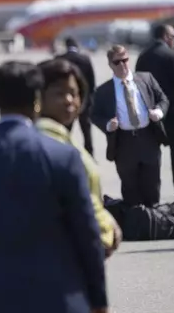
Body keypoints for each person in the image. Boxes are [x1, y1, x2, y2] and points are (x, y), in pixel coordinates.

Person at [0, 60, 108, 313]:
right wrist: (99, 301)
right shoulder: (63, 157)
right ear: (37, 101)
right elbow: (87, 237)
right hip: (57, 299)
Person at [36, 58, 122, 257]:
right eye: (59, 93)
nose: (69, 101)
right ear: (38, 97)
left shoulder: (66, 140)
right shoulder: (41, 144)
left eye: (74, 93)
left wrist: (108, 223)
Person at [91, 45, 169, 206]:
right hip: (124, 143)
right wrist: (107, 125)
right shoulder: (103, 91)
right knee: (130, 190)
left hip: (148, 139)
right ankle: (135, 226)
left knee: (152, 187)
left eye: (125, 60)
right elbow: (94, 114)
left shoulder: (146, 78)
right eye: (117, 62)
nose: (122, 65)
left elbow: (163, 99)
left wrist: (159, 113)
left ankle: (154, 224)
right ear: (110, 65)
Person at [136, 24, 174, 196]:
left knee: (151, 149)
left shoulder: (143, 55)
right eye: (173, 37)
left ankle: (152, 189)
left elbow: (138, 80)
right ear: (165, 36)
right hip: (171, 109)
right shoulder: (173, 55)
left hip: (150, 108)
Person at [56, 37, 96, 155]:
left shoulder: (60, 59)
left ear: (66, 45)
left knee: (66, 129)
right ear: (76, 46)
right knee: (86, 131)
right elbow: (92, 82)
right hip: (83, 100)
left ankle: (64, 152)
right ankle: (90, 154)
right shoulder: (85, 59)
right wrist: (89, 99)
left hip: (67, 100)